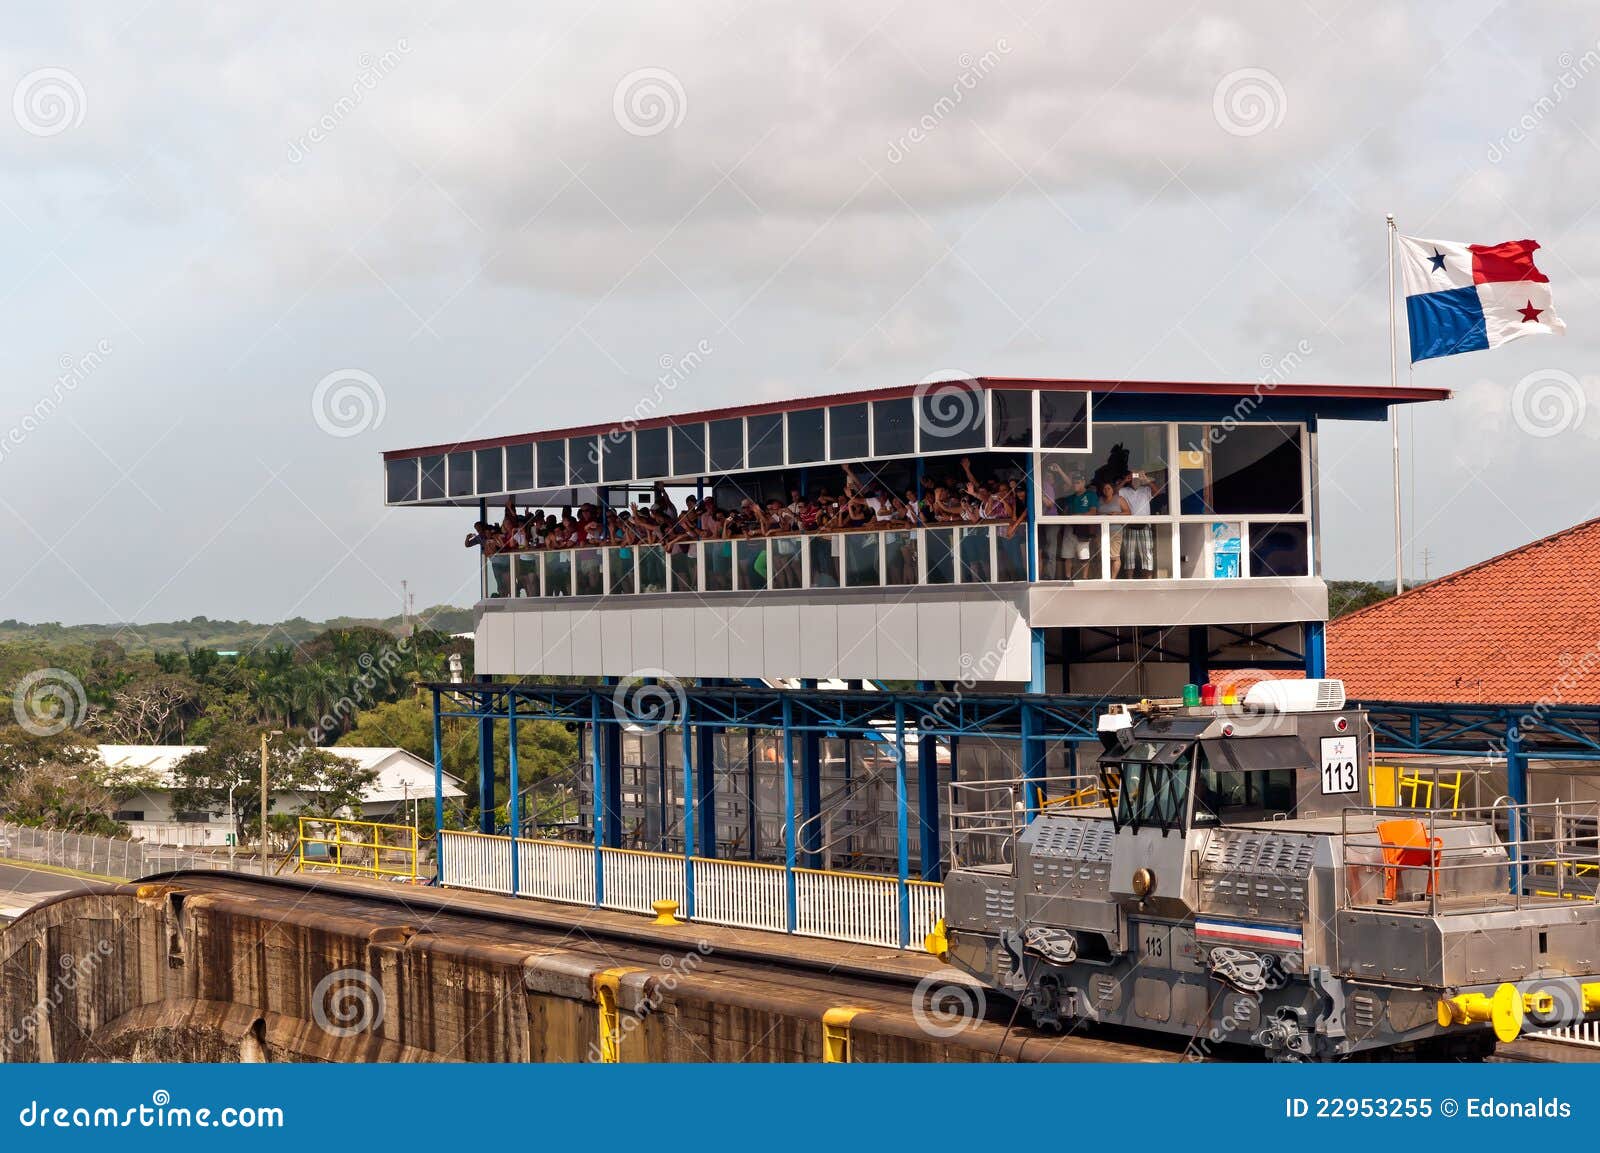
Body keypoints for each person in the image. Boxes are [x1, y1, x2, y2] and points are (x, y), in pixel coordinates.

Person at [1117, 468, 1161, 579]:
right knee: (1129, 554)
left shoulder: (1145, 489)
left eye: (1137, 476)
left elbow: (1158, 492)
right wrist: (1125, 480)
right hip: (1129, 526)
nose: (1135, 479)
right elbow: (1113, 492)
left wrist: (1146, 480)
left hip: (1145, 525)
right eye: (1133, 476)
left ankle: (1149, 580)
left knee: (1147, 553)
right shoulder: (1125, 490)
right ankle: (1129, 580)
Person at [1098, 481, 1129, 579]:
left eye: (1108, 488)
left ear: (1113, 490)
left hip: (1115, 531)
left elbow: (1128, 513)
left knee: (1115, 556)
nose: (1106, 490)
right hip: (1101, 532)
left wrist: (1117, 514)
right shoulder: (1099, 500)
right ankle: (1104, 577)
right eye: (1104, 489)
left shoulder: (1119, 499)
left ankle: (1113, 579)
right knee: (1102, 555)